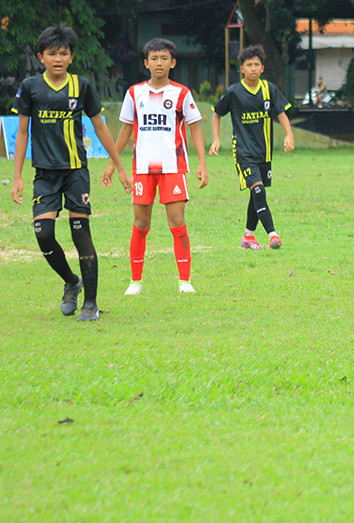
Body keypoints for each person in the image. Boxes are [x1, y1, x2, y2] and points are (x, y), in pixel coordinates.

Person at [10, 25, 131, 321]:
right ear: (41, 57)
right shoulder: (30, 86)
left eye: (63, 53)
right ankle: (71, 281)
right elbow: (23, 131)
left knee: (81, 234)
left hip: (77, 172)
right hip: (45, 175)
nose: (57, 58)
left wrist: (121, 167)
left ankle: (91, 304)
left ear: (71, 57)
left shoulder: (83, 86)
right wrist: (17, 177)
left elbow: (100, 126)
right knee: (44, 234)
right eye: (52, 53)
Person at [103, 38, 208, 295]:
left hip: (174, 167)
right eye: (154, 58)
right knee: (140, 223)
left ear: (172, 63)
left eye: (163, 58)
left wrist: (202, 163)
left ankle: (185, 281)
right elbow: (126, 129)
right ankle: (135, 281)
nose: (158, 63)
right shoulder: (134, 93)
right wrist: (113, 165)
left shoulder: (182, 93)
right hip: (142, 169)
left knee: (177, 221)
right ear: (146, 63)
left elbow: (194, 128)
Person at [209, 44, 295, 249]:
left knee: (256, 192)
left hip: (264, 152)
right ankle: (273, 235)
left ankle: (248, 236)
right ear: (242, 69)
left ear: (262, 68)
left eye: (257, 64)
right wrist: (216, 139)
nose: (253, 68)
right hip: (243, 152)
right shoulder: (234, 92)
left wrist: (289, 134)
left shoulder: (269, 89)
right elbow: (216, 114)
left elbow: (281, 112)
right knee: (258, 191)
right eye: (249, 65)